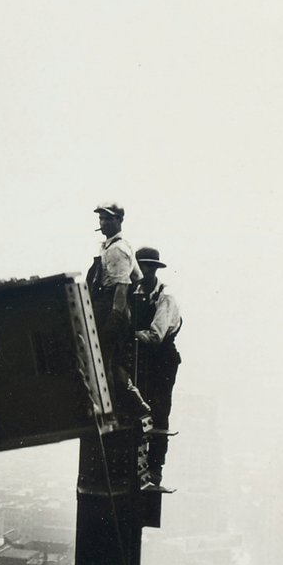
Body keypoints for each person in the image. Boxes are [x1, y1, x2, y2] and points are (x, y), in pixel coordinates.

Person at [86, 203, 149, 421]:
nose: (103, 223)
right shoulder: (114, 246)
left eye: (108, 219)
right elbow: (138, 277)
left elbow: (123, 285)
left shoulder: (117, 250)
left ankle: (116, 409)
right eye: (101, 219)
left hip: (111, 307)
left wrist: (115, 316)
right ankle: (132, 403)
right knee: (112, 361)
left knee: (105, 360)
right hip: (111, 306)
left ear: (119, 221)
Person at [132, 246, 182, 490]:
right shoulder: (138, 292)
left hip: (162, 359)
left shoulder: (165, 297)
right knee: (140, 409)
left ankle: (155, 469)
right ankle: (139, 464)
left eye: (145, 266)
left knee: (159, 413)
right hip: (143, 359)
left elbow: (155, 336)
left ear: (152, 268)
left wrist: (127, 335)